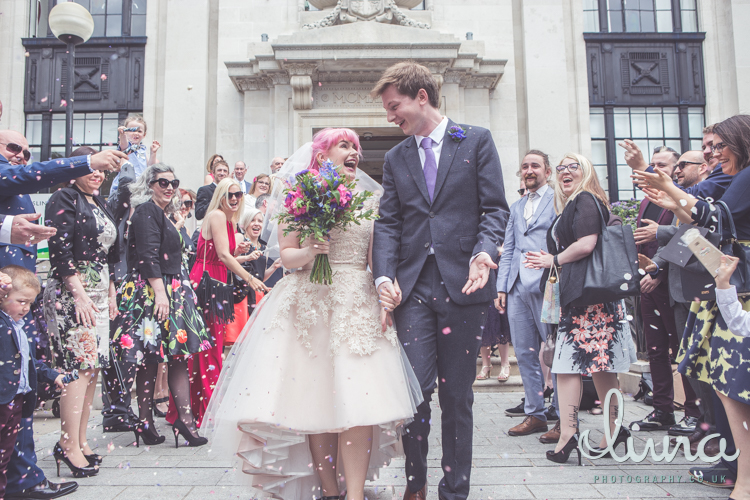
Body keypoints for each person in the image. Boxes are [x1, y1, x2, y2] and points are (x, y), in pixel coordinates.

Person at [202, 128, 422, 500]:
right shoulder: (297, 197)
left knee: (361, 402)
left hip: (356, 303)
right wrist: (311, 251)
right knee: (314, 401)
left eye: (356, 147)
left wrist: (387, 284)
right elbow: (286, 255)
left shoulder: (372, 199)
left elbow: (377, 255)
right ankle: (329, 489)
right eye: (345, 145)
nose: (355, 152)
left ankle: (354, 493)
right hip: (309, 302)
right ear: (322, 157)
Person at [370, 62, 509, 500]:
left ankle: (455, 491)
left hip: (464, 288)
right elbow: (389, 223)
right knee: (413, 392)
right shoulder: (396, 158)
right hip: (412, 292)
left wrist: (485, 253)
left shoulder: (477, 140)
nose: (391, 117)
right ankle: (416, 485)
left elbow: (495, 209)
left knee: (458, 397)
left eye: (395, 107)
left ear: (422, 97)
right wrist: (384, 278)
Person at [636, 114, 750, 493]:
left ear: (740, 142)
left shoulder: (744, 175)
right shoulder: (734, 175)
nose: (713, 154)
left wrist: (670, 189)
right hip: (722, 286)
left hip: (735, 289)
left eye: (719, 147)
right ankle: (734, 466)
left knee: (732, 383)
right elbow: (696, 221)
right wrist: (670, 195)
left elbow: (714, 219)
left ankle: (738, 471)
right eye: (710, 148)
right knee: (722, 382)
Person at [524, 153, 636, 466]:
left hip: (587, 301)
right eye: (561, 168)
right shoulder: (581, 201)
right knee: (601, 367)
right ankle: (614, 430)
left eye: (574, 166)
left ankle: (568, 433)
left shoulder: (585, 198)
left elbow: (587, 243)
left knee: (565, 365)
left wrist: (553, 260)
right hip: (590, 298)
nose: (565, 172)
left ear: (586, 172)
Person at [110, 164, 213, 448]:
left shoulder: (163, 214)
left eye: (173, 182)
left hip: (171, 289)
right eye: (162, 182)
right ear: (149, 184)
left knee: (168, 356)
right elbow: (146, 255)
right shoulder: (145, 211)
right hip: (155, 290)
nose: (169, 187)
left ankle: (170, 420)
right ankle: (162, 420)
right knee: (157, 357)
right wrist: (160, 293)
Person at [43, 146, 121, 478]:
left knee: (92, 368)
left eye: (102, 170)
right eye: (92, 168)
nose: (98, 174)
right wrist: (80, 295)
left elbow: (108, 254)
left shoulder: (99, 201)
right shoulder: (63, 199)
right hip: (71, 290)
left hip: (99, 290)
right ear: (74, 170)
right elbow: (59, 251)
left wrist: (111, 291)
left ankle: (80, 440)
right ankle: (67, 445)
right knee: (78, 366)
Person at [628, 146, 702, 434]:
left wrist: (659, 272)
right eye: (652, 163)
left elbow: (687, 239)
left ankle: (695, 413)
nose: (655, 169)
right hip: (647, 282)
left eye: (663, 165)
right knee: (655, 350)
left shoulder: (681, 197)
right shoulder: (649, 199)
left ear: (675, 170)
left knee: (682, 349)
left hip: (672, 283)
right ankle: (662, 411)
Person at [185, 178, 267, 425]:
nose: (234, 199)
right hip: (207, 283)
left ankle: (205, 407)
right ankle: (207, 409)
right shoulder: (218, 217)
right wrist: (250, 278)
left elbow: (224, 257)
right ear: (220, 196)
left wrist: (240, 255)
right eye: (229, 195)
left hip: (216, 281)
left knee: (212, 345)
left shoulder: (229, 221)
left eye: (238, 195)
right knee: (207, 347)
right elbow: (221, 255)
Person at [495, 149, 560, 443]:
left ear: (547, 171)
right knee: (525, 353)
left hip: (549, 285)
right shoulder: (516, 206)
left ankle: (561, 412)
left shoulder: (558, 201)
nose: (529, 170)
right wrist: (501, 287)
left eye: (535, 165)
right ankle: (535, 413)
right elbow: (509, 248)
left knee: (554, 352)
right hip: (517, 287)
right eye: (524, 167)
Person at [0, 129, 125, 270]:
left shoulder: (101, 202)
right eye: (14, 148)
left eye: (27, 154)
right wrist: (88, 162)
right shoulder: (63, 197)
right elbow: (62, 251)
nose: (21, 156)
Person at [0, 266, 68, 498]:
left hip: (18, 400)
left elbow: (30, 362)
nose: (26, 308)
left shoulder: (19, 328)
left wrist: (53, 375)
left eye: (30, 303)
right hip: (3, 399)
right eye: (21, 301)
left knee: (6, 453)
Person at [109, 114, 160, 195]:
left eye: (139, 131)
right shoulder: (127, 146)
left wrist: (153, 153)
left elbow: (150, 167)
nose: (136, 133)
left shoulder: (142, 150)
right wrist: (122, 134)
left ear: (144, 135)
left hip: (140, 185)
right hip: (126, 185)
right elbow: (123, 144)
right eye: (132, 130)